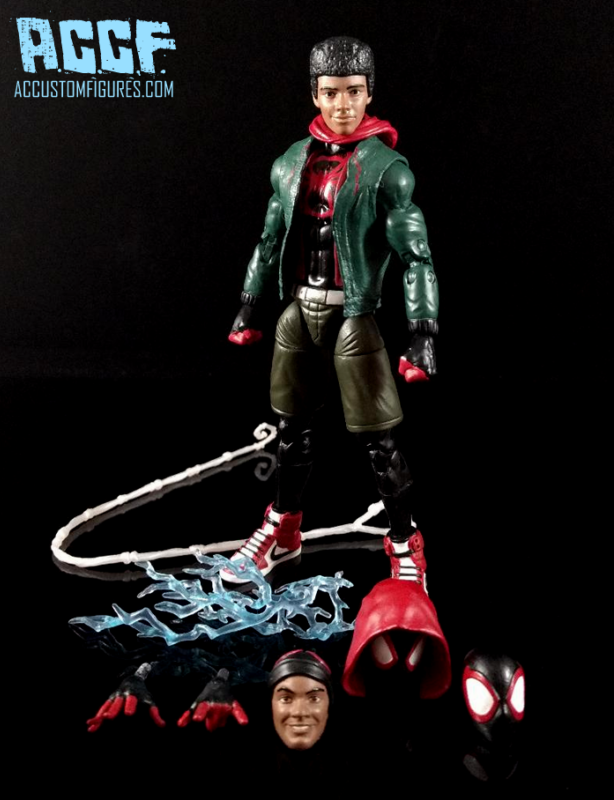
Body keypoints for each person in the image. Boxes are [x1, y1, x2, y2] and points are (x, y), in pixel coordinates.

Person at [226, 37, 450, 698]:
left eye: (353, 90)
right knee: (290, 431)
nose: (343, 103)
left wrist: (423, 333)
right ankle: (284, 527)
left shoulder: (387, 169)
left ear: (369, 92)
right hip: (300, 308)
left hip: (354, 313)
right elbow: (270, 236)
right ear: (315, 95)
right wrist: (249, 304)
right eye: (331, 92)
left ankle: (405, 544)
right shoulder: (290, 162)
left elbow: (415, 255)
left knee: (378, 441)